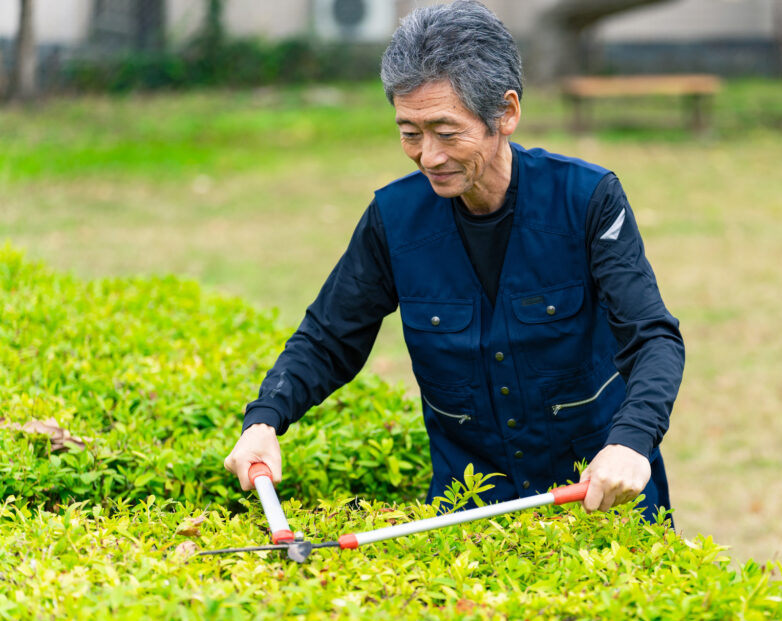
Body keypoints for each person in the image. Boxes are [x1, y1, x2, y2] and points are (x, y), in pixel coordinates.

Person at [223, 0, 684, 523]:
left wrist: (629, 443)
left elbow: (653, 339)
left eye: (446, 132)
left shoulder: (587, 200)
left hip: (599, 494)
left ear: (506, 113)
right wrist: (265, 420)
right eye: (409, 133)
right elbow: (330, 337)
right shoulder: (393, 218)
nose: (428, 156)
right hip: (469, 514)